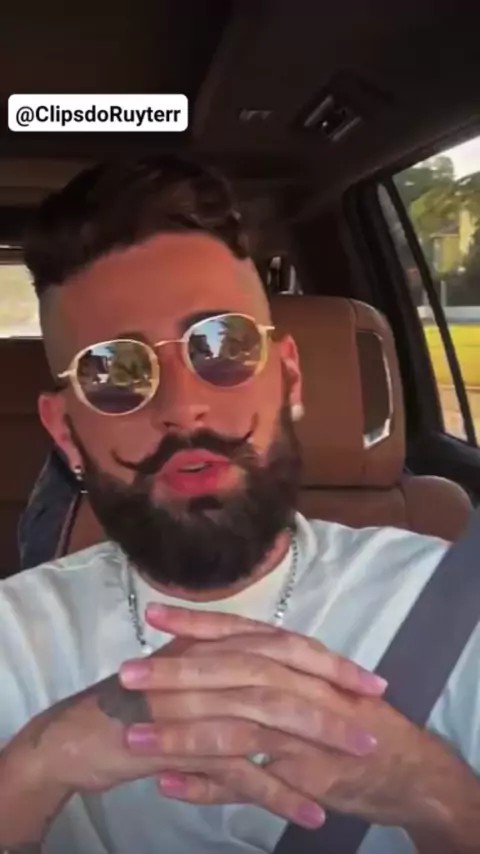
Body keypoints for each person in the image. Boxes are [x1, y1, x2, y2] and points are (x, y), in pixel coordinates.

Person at [1, 155, 479, 854]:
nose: (183, 406)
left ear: (288, 378)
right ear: (66, 430)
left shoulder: (453, 607)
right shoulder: (13, 638)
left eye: (221, 345)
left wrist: (440, 794)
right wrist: (33, 768)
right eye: (113, 370)